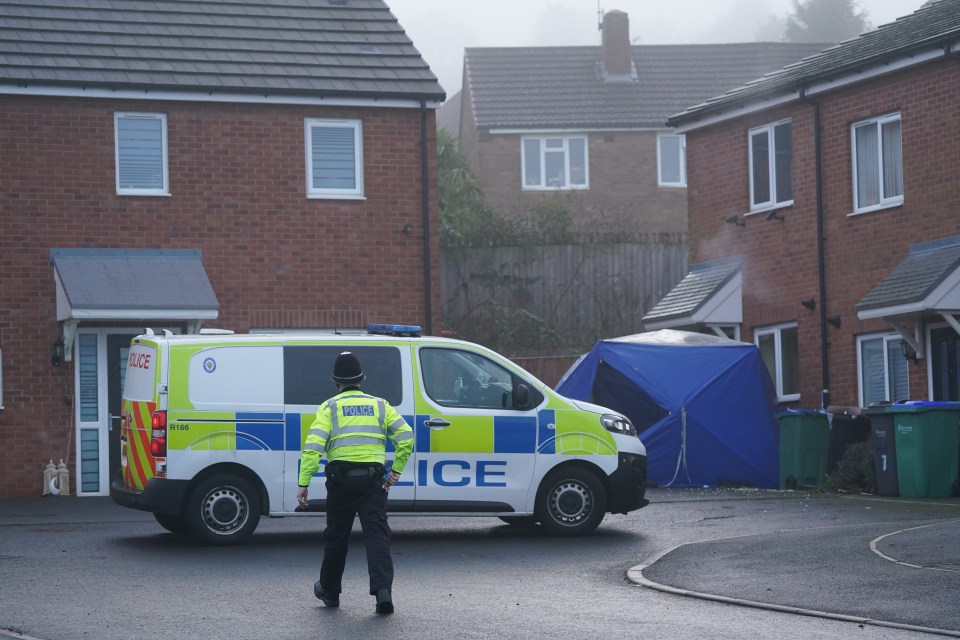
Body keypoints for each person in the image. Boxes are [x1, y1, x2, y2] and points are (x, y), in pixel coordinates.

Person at [297, 351, 414, 614]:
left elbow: (313, 447)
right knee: (377, 537)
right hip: (374, 483)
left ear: (335, 381)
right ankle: (383, 592)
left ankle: (330, 591)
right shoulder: (381, 405)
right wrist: (394, 472)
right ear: (361, 379)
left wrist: (303, 482)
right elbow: (406, 437)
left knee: (336, 538)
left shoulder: (329, 407)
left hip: (340, 483)